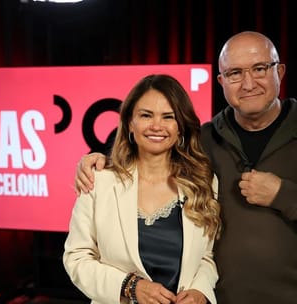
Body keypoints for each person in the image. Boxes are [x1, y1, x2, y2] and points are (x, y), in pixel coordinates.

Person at [74, 31, 297, 304]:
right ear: (221, 81)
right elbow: (151, 153)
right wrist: (100, 159)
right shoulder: (205, 139)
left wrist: (285, 195)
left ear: (279, 71)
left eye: (259, 69)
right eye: (234, 73)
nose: (248, 83)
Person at [63, 74, 222, 304]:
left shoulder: (203, 182)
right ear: (130, 122)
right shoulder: (99, 181)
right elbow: (76, 258)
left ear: (181, 127)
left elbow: (206, 257)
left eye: (168, 117)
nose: (156, 126)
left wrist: (200, 293)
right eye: (146, 115)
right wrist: (130, 286)